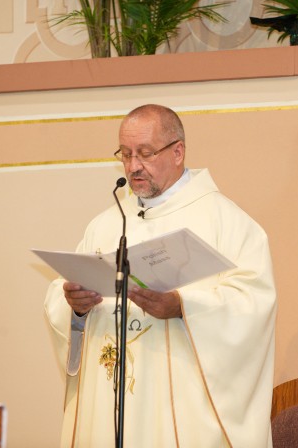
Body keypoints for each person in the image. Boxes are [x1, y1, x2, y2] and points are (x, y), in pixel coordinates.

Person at [44, 104, 277, 447]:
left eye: (145, 153)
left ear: (178, 152)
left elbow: (253, 303)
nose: (133, 166)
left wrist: (183, 306)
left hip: (181, 413)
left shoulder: (224, 221)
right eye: (126, 154)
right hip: (112, 406)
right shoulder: (106, 224)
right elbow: (65, 295)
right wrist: (75, 306)